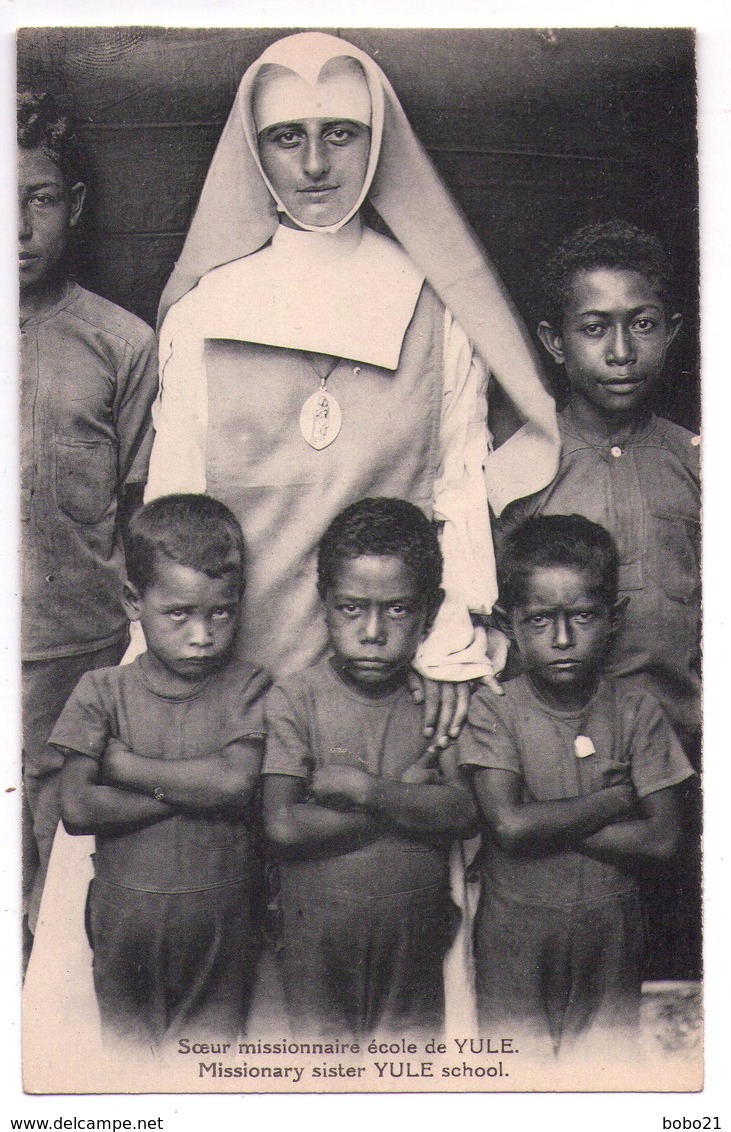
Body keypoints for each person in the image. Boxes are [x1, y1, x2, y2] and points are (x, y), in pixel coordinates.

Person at [145, 30, 560, 746]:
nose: (313, 164)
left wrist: (448, 640)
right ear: (253, 149)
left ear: (378, 142)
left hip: (390, 676)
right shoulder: (202, 312)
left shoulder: (440, 310)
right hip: (227, 675)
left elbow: (457, 489)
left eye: (340, 133)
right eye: (285, 137)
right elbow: (170, 512)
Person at [458, 514, 694, 1057]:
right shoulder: (495, 711)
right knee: (517, 1087)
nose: (562, 639)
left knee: (602, 1081)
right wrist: (612, 801)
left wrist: (546, 818)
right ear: (509, 622)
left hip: (612, 945)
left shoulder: (637, 712)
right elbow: (511, 828)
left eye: (583, 616)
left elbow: (662, 841)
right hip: (516, 945)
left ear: (614, 618)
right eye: (540, 620)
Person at [49, 495, 269, 1047]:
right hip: (125, 926)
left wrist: (126, 767)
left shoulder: (249, 687)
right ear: (133, 600)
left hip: (222, 927)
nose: (202, 634)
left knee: (210, 1077)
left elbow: (237, 782)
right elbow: (76, 809)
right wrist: (191, 791)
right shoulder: (103, 690)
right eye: (179, 614)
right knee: (129, 1068)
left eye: (221, 611)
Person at [18, 90, 159, 942]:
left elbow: (142, 507)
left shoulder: (121, 344)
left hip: (77, 650)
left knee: (60, 859)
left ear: (70, 206)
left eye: (36, 198)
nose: (18, 225)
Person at [262, 498, 478, 1039]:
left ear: (430, 611)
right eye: (351, 609)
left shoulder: (435, 700)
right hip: (315, 947)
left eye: (398, 610)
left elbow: (465, 810)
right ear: (324, 605)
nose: (373, 631)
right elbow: (284, 825)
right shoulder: (298, 698)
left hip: (415, 943)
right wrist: (406, 799)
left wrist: (366, 791)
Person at [499, 220, 700, 754]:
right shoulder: (521, 467)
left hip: (679, 745)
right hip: (546, 752)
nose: (621, 352)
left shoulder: (699, 464)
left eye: (642, 325)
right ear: (555, 342)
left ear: (672, 331)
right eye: (594, 328)